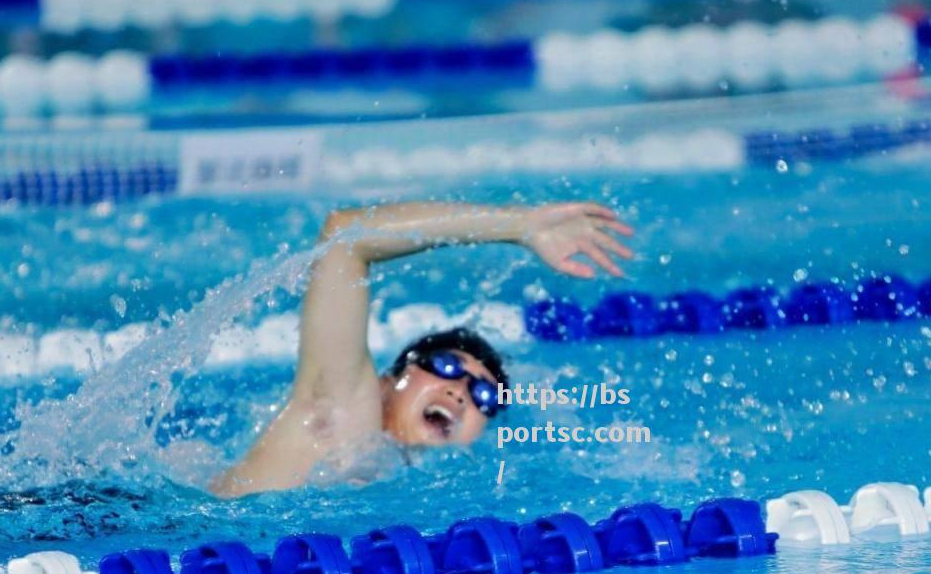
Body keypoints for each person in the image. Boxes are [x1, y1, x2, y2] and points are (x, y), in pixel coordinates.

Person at [210, 201, 635, 498]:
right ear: (385, 382)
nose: (461, 392)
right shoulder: (336, 423)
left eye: (483, 396)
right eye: (447, 367)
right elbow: (344, 236)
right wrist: (518, 226)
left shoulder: (424, 493)